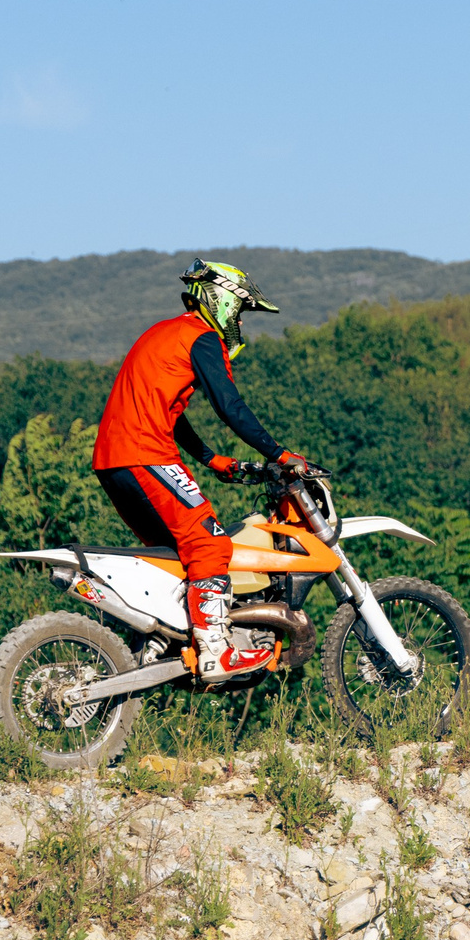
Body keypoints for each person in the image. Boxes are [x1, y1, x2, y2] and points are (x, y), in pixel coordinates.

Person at [91, 259, 313, 681]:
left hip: (113, 461)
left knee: (174, 561)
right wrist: (281, 455)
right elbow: (230, 406)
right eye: (242, 313)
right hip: (145, 454)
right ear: (224, 300)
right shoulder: (202, 337)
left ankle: (155, 645)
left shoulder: (162, 333)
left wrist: (212, 459)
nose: (241, 325)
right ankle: (214, 650)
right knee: (211, 544)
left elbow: (170, 412)